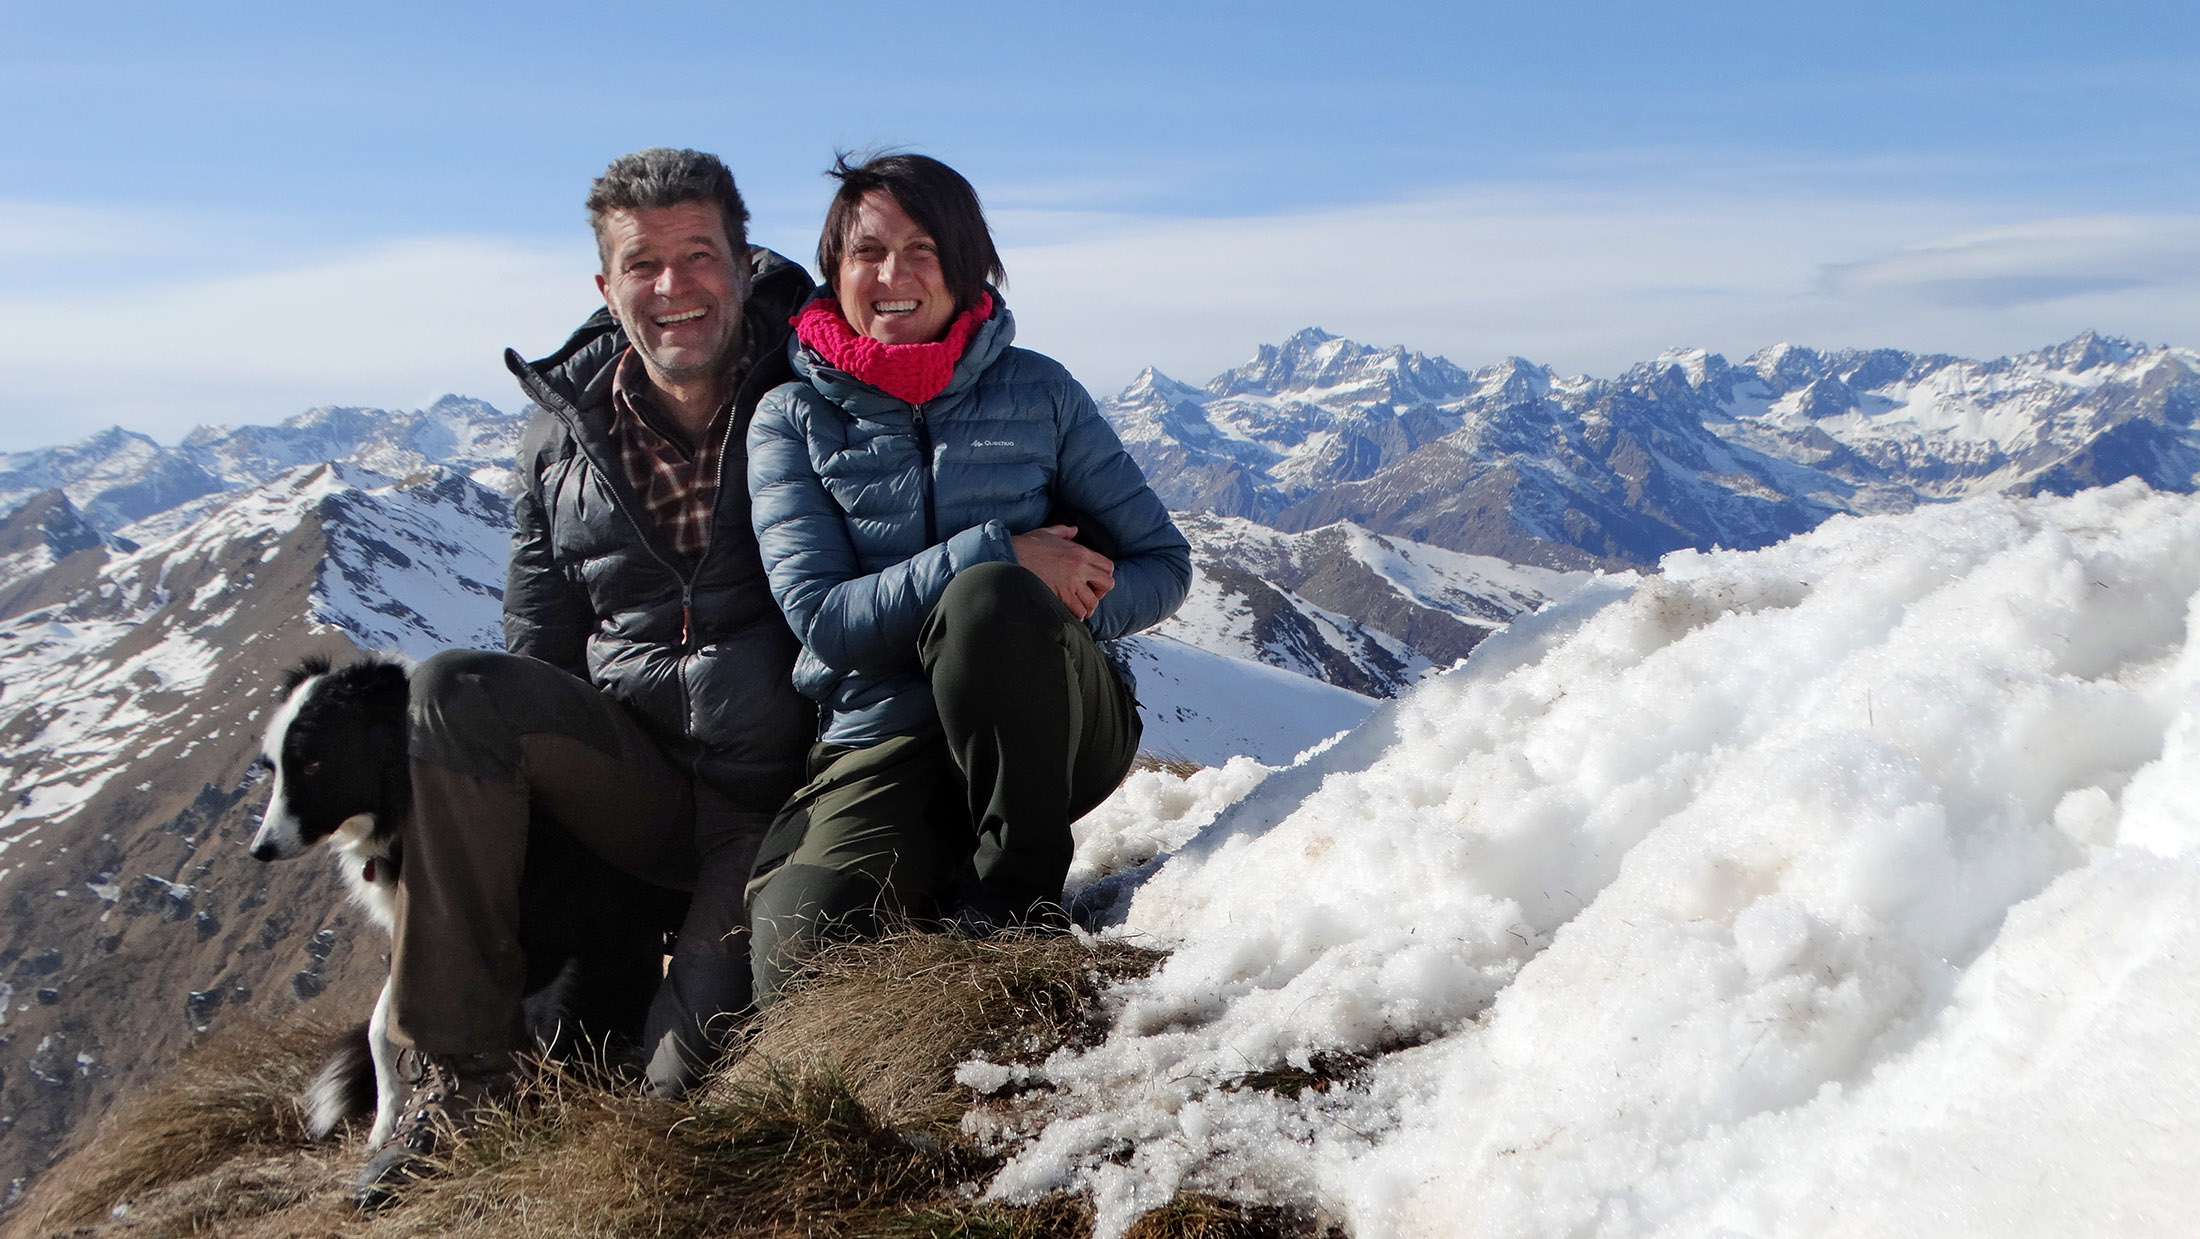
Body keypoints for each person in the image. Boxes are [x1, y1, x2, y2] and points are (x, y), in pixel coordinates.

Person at [355, 148, 816, 1206]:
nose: (672, 286)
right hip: (634, 782)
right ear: (606, 286)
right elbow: (538, 647)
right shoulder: (560, 433)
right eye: (642, 264)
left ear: (743, 262)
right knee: (453, 691)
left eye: (697, 255)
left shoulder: (817, 385)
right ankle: (457, 1078)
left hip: (776, 800)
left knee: (665, 1097)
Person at [744, 153, 1191, 1003]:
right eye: (868, 252)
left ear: (966, 265)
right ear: (834, 269)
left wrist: (1050, 616)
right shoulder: (792, 417)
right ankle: (933, 867)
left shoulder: (1040, 392)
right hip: (885, 735)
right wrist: (1000, 552)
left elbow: (1163, 563)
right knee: (800, 947)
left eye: (923, 249)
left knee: (989, 601)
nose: (894, 274)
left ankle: (1015, 912)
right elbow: (824, 617)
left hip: (1054, 726)